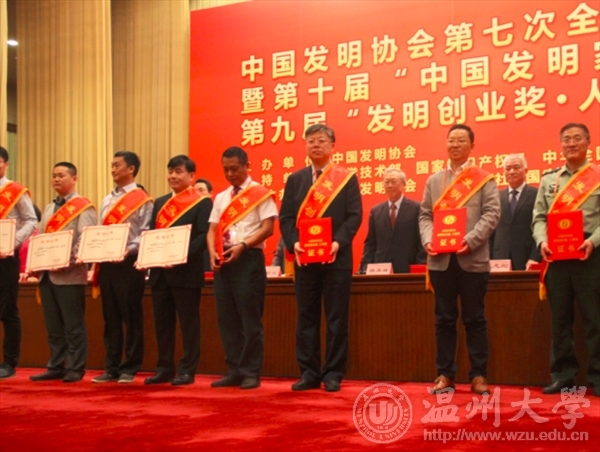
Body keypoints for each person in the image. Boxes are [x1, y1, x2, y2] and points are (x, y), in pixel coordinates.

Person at [280, 124, 362, 392]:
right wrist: (294, 243)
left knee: (337, 318)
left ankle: (334, 373)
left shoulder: (346, 178)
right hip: (305, 259)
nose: (316, 145)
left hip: (337, 259)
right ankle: (309, 372)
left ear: (332, 146)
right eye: (311, 140)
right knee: (306, 317)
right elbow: (286, 218)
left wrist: (338, 242)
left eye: (322, 140)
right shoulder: (295, 180)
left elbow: (354, 216)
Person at [419, 124, 500, 395]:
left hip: (472, 260)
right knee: (444, 319)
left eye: (461, 140)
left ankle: (478, 375)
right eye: (451, 140)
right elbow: (425, 216)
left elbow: (491, 214)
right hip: (441, 261)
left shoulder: (484, 179)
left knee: (475, 319)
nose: (455, 145)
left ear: (471, 146)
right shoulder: (434, 181)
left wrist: (471, 240)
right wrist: (428, 240)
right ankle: (445, 374)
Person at [532, 123, 600, 397]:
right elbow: (539, 217)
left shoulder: (597, 176)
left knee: (594, 318)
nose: (572, 143)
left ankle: (597, 376)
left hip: (589, 253)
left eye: (577, 138)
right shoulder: (550, 180)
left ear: (588, 142)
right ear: (560, 145)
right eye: (567, 139)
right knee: (560, 320)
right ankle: (563, 376)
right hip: (556, 255)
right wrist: (542, 241)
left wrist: (593, 241)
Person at [207, 147, 278, 390]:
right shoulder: (221, 197)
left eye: (235, 169)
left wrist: (243, 245)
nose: (230, 174)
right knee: (227, 318)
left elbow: (268, 228)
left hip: (248, 259)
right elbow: (212, 230)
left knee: (249, 319)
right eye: (226, 169)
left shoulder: (260, 193)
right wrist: (212, 252)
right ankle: (234, 370)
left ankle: (251, 372)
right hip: (224, 261)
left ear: (247, 166)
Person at [143, 155, 212, 386]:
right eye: (170, 171)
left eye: (179, 171)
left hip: (186, 272)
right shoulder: (160, 202)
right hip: (160, 274)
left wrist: (180, 254)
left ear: (191, 176)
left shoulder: (202, 203)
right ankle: (164, 368)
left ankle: (187, 370)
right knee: (163, 325)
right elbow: (153, 235)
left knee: (188, 324)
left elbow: (203, 236)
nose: (173, 175)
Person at [30, 162, 97, 383]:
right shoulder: (49, 208)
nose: (56, 179)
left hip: (69, 275)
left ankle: (75, 367)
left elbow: (85, 240)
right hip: (47, 275)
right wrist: (36, 263)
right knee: (54, 326)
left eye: (61, 175)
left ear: (74, 179)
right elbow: (40, 239)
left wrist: (66, 263)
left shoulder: (84, 207)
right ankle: (56, 365)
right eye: (54, 176)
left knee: (73, 325)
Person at [92, 151, 153, 384]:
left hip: (129, 263)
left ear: (131, 169)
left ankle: (131, 366)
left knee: (131, 316)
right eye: (112, 165)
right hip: (107, 263)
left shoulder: (143, 199)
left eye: (117, 165)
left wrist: (127, 250)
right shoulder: (107, 200)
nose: (113, 169)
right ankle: (112, 366)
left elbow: (145, 232)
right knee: (111, 317)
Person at [0, 147, 38, 379]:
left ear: (6, 164)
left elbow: (31, 220)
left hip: (6, 259)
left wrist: (12, 243)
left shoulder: (15, 191)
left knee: (7, 310)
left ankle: (9, 362)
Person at [359, 167, 426, 273]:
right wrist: (364, 267)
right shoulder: (376, 211)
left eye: (394, 182)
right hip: (381, 269)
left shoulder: (416, 208)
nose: (390, 185)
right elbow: (371, 243)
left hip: (408, 268)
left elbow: (421, 241)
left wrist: (420, 266)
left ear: (403, 184)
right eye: (387, 182)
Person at [490, 154, 540, 270]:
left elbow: (541, 227)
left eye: (516, 167)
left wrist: (535, 257)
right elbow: (490, 231)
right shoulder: (496, 197)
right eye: (508, 169)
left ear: (526, 170)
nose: (512, 172)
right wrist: (489, 258)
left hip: (526, 257)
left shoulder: (536, 194)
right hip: (499, 258)